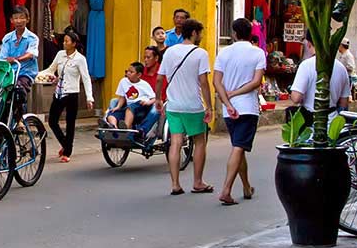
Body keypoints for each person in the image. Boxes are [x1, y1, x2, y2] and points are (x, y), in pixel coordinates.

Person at [156, 18, 213, 195]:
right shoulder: (200, 53)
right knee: (199, 142)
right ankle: (197, 182)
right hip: (193, 105)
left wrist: (158, 98)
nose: (201, 36)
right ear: (194, 33)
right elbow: (203, 82)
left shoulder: (170, 52)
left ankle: (175, 184)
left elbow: (159, 78)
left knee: (176, 142)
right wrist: (209, 106)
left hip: (173, 105)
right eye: (200, 33)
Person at [213, 18, 265, 206]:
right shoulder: (258, 53)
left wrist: (227, 101)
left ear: (234, 33)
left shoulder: (224, 53)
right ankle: (226, 190)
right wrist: (236, 93)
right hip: (248, 107)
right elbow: (256, 81)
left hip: (230, 109)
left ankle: (246, 186)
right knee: (238, 147)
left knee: (239, 147)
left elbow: (216, 82)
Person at [37, 29, 94, 163]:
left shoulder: (80, 59)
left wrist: (89, 97)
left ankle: (67, 151)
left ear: (74, 44)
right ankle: (65, 144)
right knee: (52, 121)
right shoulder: (60, 54)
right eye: (64, 41)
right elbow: (51, 69)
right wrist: (38, 75)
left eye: (67, 41)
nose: (64, 43)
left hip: (72, 94)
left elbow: (86, 79)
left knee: (70, 123)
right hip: (59, 92)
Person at [290, 31, 351, 120]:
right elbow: (344, 102)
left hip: (311, 122)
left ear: (309, 44)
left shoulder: (306, 65)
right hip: (332, 121)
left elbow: (296, 98)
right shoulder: (341, 68)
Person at [0, 6, 39, 118]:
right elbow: (2, 58)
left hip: (25, 73)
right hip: (10, 73)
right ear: (11, 20)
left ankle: (20, 119)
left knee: (19, 90)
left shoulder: (32, 38)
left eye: (22, 18)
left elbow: (31, 53)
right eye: (16, 18)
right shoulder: (7, 38)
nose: (19, 21)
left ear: (27, 19)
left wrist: (16, 59)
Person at [105, 62, 158, 136]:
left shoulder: (144, 84)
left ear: (139, 75)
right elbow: (122, 97)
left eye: (131, 72)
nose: (128, 74)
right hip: (128, 106)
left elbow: (154, 98)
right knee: (112, 114)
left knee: (130, 108)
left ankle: (126, 129)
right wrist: (118, 107)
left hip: (140, 107)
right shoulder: (123, 81)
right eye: (127, 71)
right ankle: (114, 128)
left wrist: (148, 102)